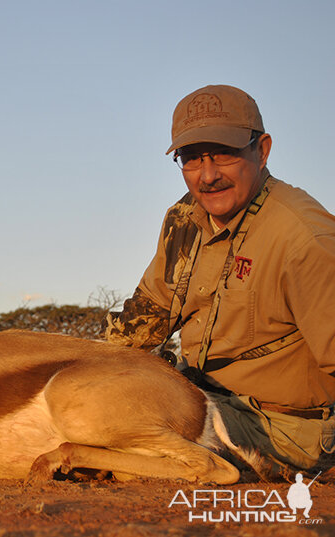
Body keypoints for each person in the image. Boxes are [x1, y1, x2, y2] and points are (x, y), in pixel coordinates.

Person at [107, 84, 335, 476]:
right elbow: (142, 323)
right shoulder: (183, 218)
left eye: (224, 154)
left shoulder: (305, 239)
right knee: (86, 409)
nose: (208, 176)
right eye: (192, 159)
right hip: (203, 401)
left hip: (281, 430)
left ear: (261, 151)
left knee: (124, 445)